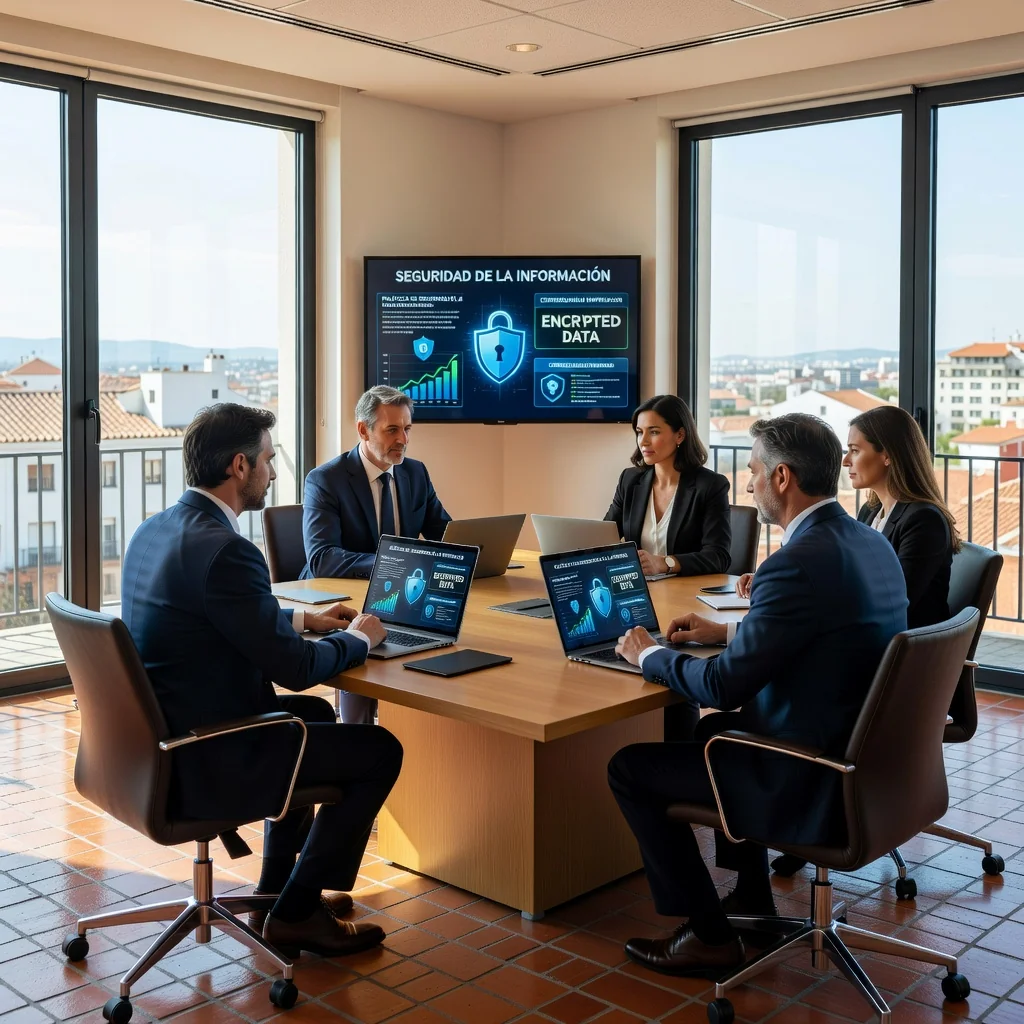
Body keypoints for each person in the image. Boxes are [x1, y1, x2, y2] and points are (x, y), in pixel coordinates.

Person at [606, 413, 907, 978]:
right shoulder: (869, 542)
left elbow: (723, 686)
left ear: (782, 477)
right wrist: (728, 632)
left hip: (810, 773)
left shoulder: (794, 563)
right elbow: (826, 630)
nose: (748, 485)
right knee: (711, 732)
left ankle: (707, 936)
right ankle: (751, 894)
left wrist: (648, 655)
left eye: (753, 472)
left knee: (630, 769)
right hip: (869, 763)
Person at [121, 403, 403, 958]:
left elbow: (217, 611)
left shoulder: (156, 529)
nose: (273, 472)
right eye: (268, 460)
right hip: (211, 756)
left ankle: (278, 888)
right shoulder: (229, 550)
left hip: (159, 745)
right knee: (380, 751)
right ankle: (297, 913)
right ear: (239, 466)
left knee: (314, 717)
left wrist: (303, 619)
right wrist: (359, 639)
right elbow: (296, 670)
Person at [769, 403, 960, 879]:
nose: (846, 461)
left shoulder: (924, 520)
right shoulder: (873, 509)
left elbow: (892, 598)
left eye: (855, 450)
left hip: (903, 677)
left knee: (791, 700)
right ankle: (800, 820)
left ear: (888, 455)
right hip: (874, 659)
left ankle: (796, 820)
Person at [301, 385, 451, 723]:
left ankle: (419, 727)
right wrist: (395, 565)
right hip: (342, 601)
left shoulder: (415, 473)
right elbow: (322, 558)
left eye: (407, 428)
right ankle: (357, 730)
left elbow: (443, 533)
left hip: (403, 597)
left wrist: (470, 552)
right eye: (392, 430)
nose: (403, 439)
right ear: (363, 430)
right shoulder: (326, 480)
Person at [605, 395, 731, 580]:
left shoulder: (711, 485)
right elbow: (606, 535)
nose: (643, 441)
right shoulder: (630, 480)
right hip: (641, 588)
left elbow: (718, 557)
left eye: (654, 432)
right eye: (639, 432)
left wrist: (664, 563)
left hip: (686, 590)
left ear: (680, 435)